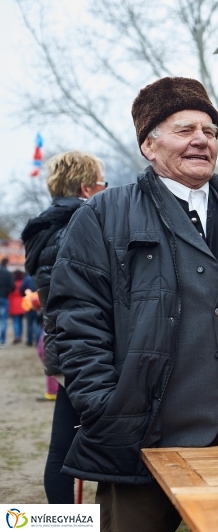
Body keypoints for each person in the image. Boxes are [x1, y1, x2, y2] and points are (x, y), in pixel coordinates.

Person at [47, 77, 218, 532]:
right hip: (144, 442)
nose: (201, 141)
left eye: (210, 131)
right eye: (184, 129)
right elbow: (75, 322)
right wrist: (105, 404)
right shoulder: (102, 216)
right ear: (149, 145)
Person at [22, 150, 108, 501]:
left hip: (63, 345)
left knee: (62, 445)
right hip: (87, 347)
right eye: (104, 183)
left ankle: (63, 522)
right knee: (98, 445)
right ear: (87, 188)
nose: (107, 189)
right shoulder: (83, 223)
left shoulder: (45, 228)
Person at [21, 274, 41, 346]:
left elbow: (21, 289)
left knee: (29, 324)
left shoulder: (27, 278)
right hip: (39, 303)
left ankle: (29, 340)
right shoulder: (40, 276)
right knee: (38, 323)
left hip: (29, 304)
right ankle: (38, 341)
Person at [0, 258, 14, 347]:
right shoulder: (8, 273)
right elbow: (12, 286)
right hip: (4, 297)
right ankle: (2, 341)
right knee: (3, 320)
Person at [8, 270, 25, 344]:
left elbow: (10, 295)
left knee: (16, 321)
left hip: (14, 304)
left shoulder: (12, 284)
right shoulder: (23, 283)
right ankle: (20, 336)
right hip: (22, 304)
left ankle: (17, 336)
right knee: (21, 321)